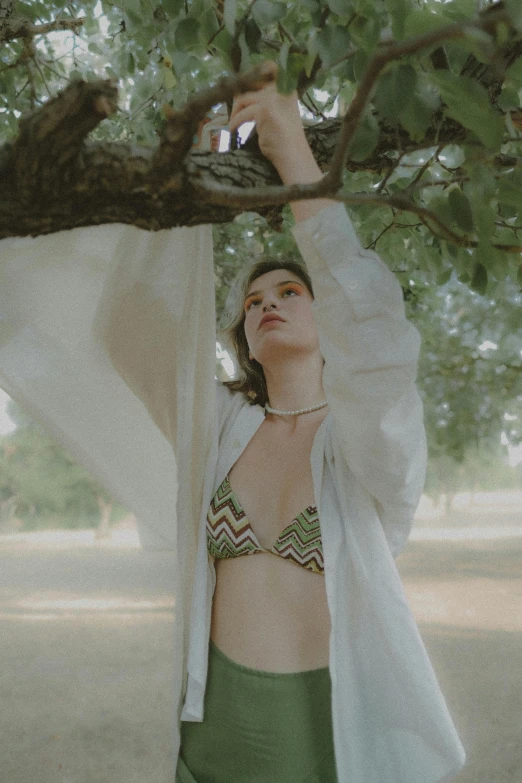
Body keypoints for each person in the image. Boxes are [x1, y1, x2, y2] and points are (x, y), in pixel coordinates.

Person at [0, 62, 466, 783]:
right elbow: (134, 326)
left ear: (325, 314)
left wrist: (293, 157)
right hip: (210, 727)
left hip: (322, 731)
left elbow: (374, 347)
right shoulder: (220, 425)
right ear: (243, 335)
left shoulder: (361, 441)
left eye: (288, 290)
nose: (267, 303)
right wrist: (200, 189)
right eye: (252, 301)